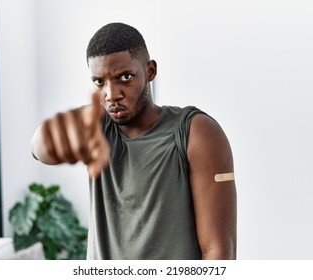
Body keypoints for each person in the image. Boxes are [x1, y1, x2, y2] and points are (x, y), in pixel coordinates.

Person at [31, 22, 237, 260]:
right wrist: (53, 141)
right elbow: (38, 149)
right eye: (100, 82)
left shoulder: (195, 132)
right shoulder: (95, 126)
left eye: (125, 77)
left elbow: (218, 252)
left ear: (150, 71)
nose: (111, 94)